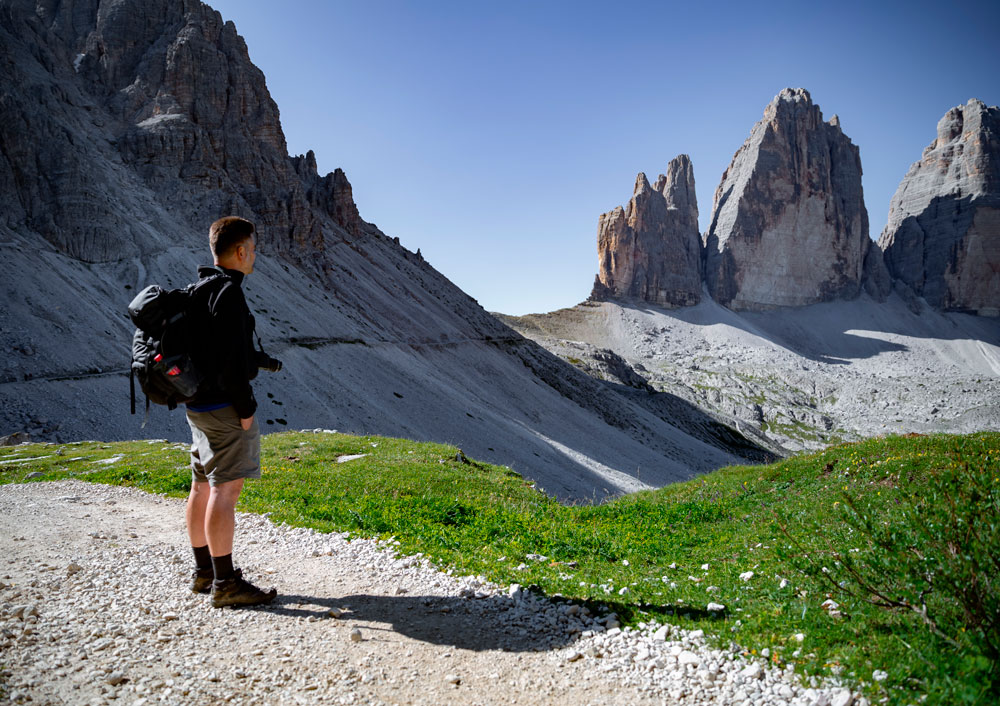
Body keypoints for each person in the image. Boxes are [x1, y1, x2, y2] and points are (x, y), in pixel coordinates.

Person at [184, 216, 279, 608]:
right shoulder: (230, 294)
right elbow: (233, 364)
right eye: (253, 249)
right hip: (224, 407)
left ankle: (203, 571)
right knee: (226, 490)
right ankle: (225, 583)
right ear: (240, 251)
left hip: (195, 406)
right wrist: (246, 410)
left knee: (201, 485)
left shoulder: (197, 289)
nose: (254, 255)